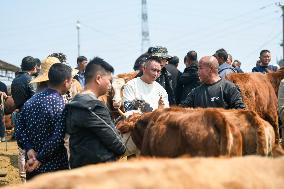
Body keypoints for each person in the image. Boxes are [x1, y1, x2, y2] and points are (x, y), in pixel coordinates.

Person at [65, 57, 126, 168]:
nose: (110, 85)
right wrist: (122, 150)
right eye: (109, 80)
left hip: (79, 166)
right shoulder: (94, 106)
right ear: (98, 79)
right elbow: (114, 139)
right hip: (99, 170)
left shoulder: (74, 103)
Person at [16, 63, 72, 180]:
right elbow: (57, 138)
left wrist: (29, 149)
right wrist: (39, 159)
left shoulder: (29, 102)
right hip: (54, 169)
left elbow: (19, 129)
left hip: (32, 167)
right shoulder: (60, 105)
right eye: (71, 81)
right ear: (66, 82)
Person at [180, 56, 245, 109]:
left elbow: (240, 112)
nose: (197, 72)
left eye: (200, 68)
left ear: (210, 69)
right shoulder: (195, 92)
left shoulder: (229, 88)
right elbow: (182, 109)